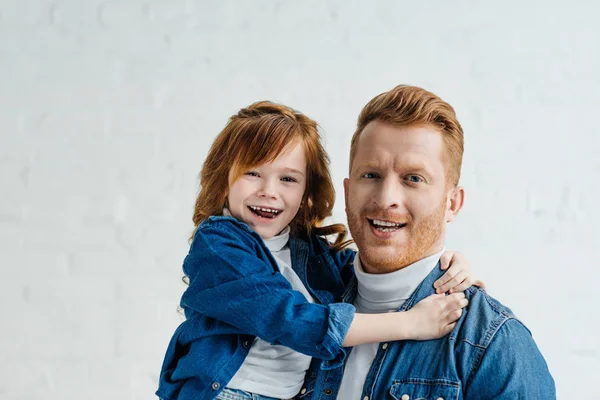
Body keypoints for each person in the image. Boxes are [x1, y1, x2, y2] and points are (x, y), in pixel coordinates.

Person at [156, 101, 480, 400]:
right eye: (252, 173)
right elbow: (290, 319)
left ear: (307, 191)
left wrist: (446, 263)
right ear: (224, 178)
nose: (269, 191)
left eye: (287, 179)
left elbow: (370, 271)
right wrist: (411, 324)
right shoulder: (218, 246)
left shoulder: (304, 248)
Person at [300, 85, 556, 399]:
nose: (386, 199)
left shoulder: (493, 343)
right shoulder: (302, 300)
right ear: (348, 190)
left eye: (413, 178)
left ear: (453, 204)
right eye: (371, 175)